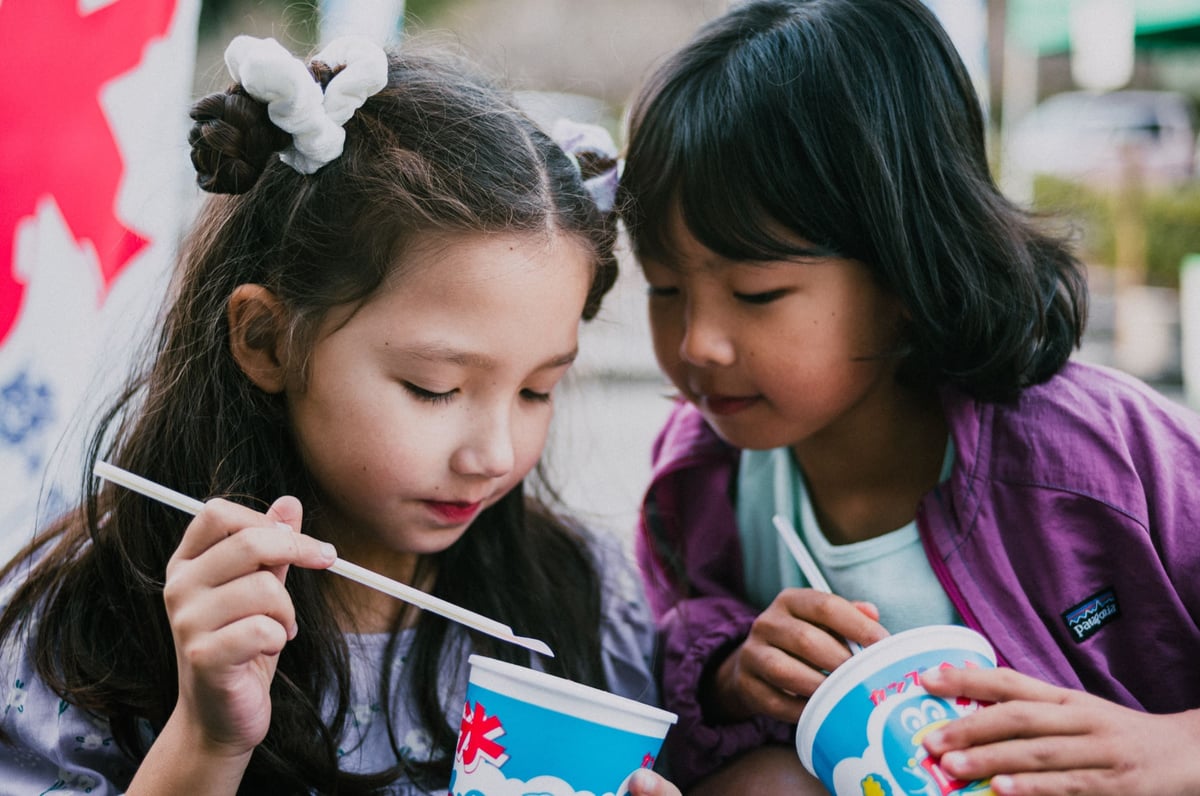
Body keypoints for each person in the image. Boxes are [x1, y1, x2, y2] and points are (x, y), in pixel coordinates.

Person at [0, 34, 680, 796]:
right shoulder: (87, 631)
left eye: (536, 391)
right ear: (266, 340)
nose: (492, 454)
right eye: (433, 388)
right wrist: (205, 741)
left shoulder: (583, 603)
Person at [615, 0, 1200, 794]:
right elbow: (673, 660)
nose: (698, 344)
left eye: (756, 293)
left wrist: (1165, 752)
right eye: (664, 288)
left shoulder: (1101, 455)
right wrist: (727, 672)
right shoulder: (701, 482)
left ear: (906, 267)